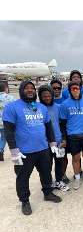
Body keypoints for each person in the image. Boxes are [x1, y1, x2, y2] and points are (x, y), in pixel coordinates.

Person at [2, 80, 62, 215]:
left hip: (42, 149)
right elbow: (8, 131)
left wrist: (52, 143)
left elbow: (48, 127)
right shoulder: (12, 108)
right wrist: (14, 150)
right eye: (27, 88)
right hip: (24, 152)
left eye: (32, 88)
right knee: (23, 177)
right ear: (21, 90)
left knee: (46, 173)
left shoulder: (41, 107)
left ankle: (48, 193)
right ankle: (25, 201)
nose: (30, 90)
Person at [59, 81, 83, 189]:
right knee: (75, 157)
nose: (75, 90)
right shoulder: (65, 104)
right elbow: (63, 123)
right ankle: (77, 178)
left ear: (80, 89)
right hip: (73, 135)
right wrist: (64, 137)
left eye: (77, 88)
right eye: (72, 89)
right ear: (69, 90)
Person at [38, 85, 69, 191]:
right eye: (44, 96)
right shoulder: (37, 108)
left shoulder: (58, 107)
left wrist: (64, 138)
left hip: (58, 140)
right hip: (44, 142)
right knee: (46, 163)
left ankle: (58, 181)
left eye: (49, 96)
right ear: (40, 97)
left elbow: (62, 125)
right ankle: (48, 182)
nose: (47, 98)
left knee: (59, 162)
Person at [0, 82, 16, 161]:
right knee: (3, 137)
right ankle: (0, 150)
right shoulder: (11, 98)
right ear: (5, 89)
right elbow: (15, 109)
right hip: (5, 122)